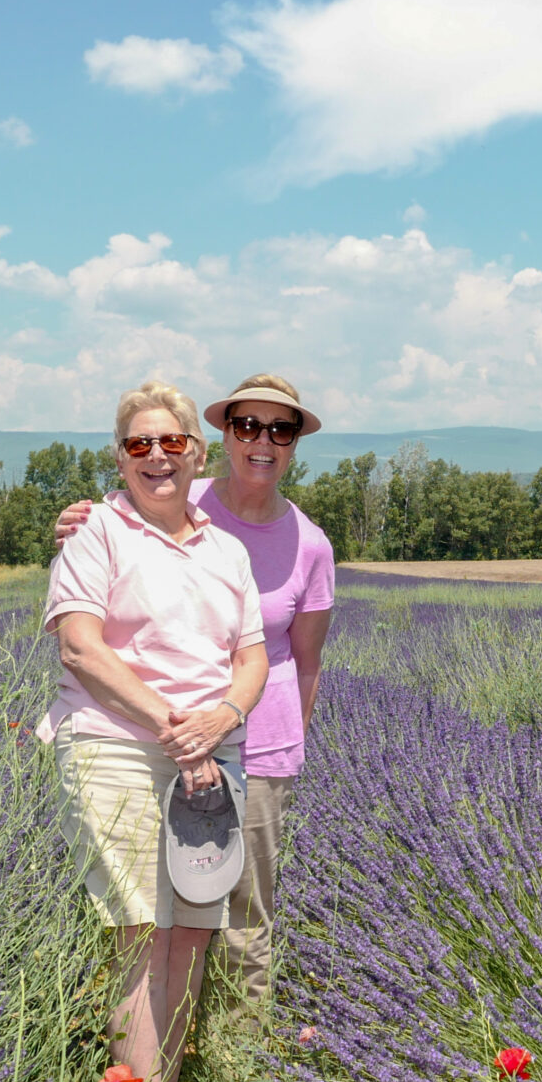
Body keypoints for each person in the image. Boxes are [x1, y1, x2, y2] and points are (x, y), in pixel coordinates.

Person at [37, 380, 268, 1082]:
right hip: (117, 747)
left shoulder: (226, 551)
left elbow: (252, 659)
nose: (158, 455)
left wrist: (224, 716)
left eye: (172, 441)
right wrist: (178, 724)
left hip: (210, 752)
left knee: (192, 932)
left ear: (196, 455)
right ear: (120, 457)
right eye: (140, 444)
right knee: (140, 927)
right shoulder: (95, 532)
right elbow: (81, 650)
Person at [56, 373, 334, 1029]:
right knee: (163, 922)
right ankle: (169, 1076)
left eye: (280, 429)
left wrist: (283, 749)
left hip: (254, 747)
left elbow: (306, 661)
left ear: (294, 443)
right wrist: (71, 517)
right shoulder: (184, 495)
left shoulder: (311, 544)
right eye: (247, 426)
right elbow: (114, 524)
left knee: (241, 924)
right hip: (155, 741)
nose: (262, 441)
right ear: (220, 439)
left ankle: (234, 1079)